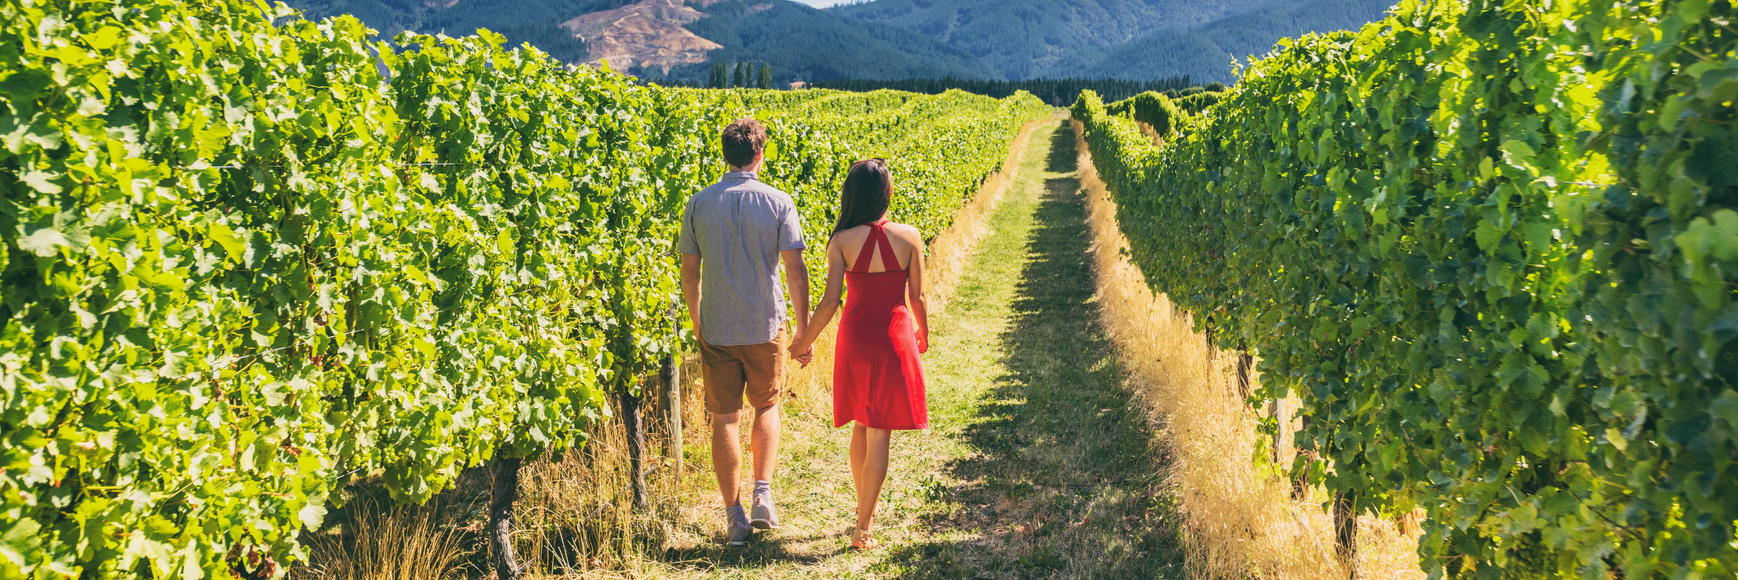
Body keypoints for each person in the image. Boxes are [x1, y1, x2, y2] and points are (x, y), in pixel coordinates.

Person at [678, 118, 812, 546]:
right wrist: (804, 331)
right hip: (764, 324)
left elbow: (690, 272)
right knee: (767, 406)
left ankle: (734, 518)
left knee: (724, 419)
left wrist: (699, 322)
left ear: (725, 154)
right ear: (760, 154)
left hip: (717, 325)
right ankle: (762, 497)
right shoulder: (778, 202)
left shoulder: (698, 204)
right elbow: (796, 270)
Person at [787, 158, 929, 551]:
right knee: (879, 431)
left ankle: (863, 505)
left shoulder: (841, 241)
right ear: (887, 193)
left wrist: (803, 341)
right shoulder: (910, 237)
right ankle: (863, 526)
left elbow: (830, 302)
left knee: (862, 426)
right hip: (892, 337)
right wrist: (924, 332)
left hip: (855, 339)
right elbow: (916, 296)